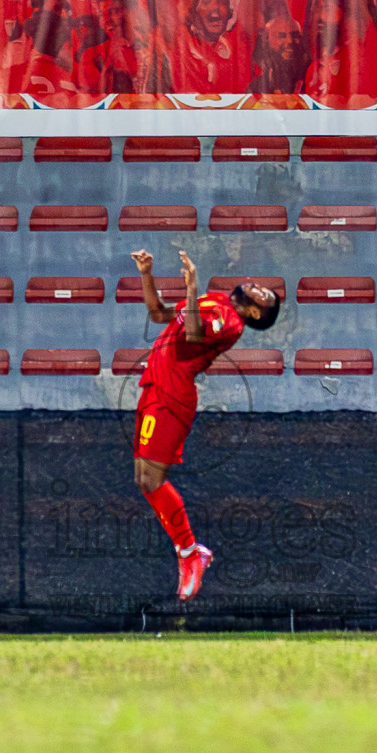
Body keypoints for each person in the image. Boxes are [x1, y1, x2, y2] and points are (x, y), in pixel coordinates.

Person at [128, 249, 281, 600]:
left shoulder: (233, 323)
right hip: (155, 384)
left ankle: (190, 552)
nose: (258, 287)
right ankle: (189, 551)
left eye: (263, 295)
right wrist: (146, 274)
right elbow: (158, 314)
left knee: (151, 479)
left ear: (256, 312)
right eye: (260, 286)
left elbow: (194, 335)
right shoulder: (215, 300)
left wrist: (192, 285)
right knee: (144, 479)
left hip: (173, 393)